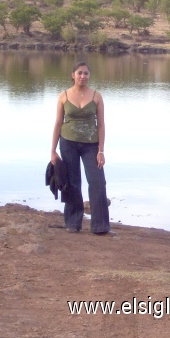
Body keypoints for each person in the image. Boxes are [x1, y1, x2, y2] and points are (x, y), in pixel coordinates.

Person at [51, 61, 113, 235]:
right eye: (79, 73)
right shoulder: (63, 96)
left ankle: (100, 226)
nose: (83, 76)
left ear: (89, 76)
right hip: (67, 143)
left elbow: (101, 125)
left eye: (86, 73)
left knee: (97, 182)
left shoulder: (96, 96)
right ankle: (73, 223)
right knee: (72, 183)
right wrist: (53, 150)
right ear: (73, 75)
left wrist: (101, 151)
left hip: (91, 145)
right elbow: (57, 123)